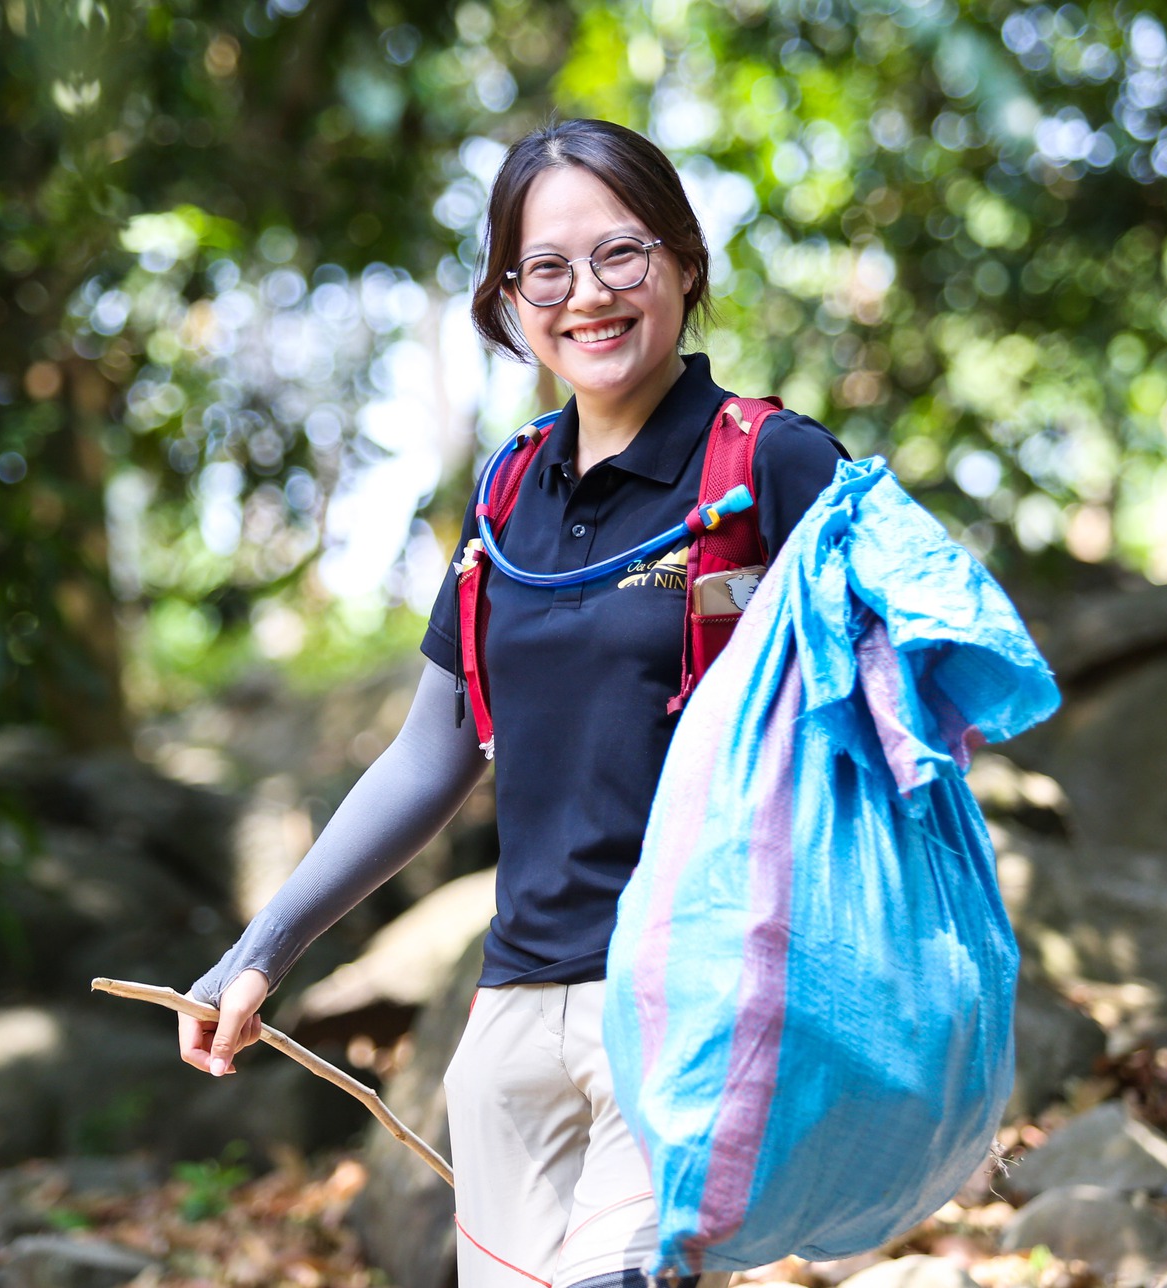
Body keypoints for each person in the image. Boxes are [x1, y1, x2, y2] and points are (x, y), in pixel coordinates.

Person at [181, 118, 846, 1288]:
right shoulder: (505, 497)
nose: (585, 294)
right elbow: (429, 756)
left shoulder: (771, 466)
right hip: (510, 1020)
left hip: (688, 997)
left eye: (620, 255)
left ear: (684, 264)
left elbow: (893, 712)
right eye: (545, 268)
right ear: (506, 298)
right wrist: (260, 948)